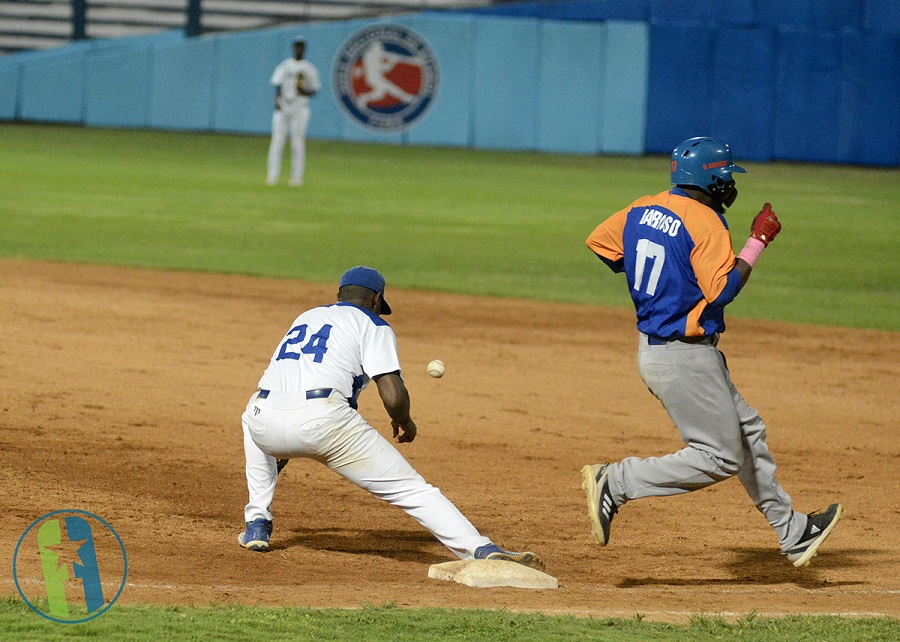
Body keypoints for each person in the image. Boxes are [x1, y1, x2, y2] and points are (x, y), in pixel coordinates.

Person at [580, 136, 842, 568]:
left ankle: (792, 531)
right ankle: (617, 480)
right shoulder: (706, 222)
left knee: (748, 432)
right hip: (682, 357)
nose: (728, 184)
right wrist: (757, 240)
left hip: (663, 349)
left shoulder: (641, 207)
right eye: (724, 176)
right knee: (719, 456)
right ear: (710, 178)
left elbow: (602, 245)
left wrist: (666, 275)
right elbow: (722, 291)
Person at [238, 266, 544, 571]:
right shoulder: (374, 325)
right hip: (324, 422)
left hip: (265, 418)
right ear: (377, 299)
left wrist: (283, 439)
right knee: (412, 490)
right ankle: (479, 548)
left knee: (249, 417)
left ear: (339, 295)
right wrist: (405, 422)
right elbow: (393, 395)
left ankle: (257, 523)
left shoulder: (306, 317)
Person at [267, 36, 320, 187]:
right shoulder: (284, 66)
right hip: (284, 104)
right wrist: (277, 101)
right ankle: (272, 176)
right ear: (293, 47)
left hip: (300, 106)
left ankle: (296, 178)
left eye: (301, 46)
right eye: (297, 46)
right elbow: (276, 85)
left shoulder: (309, 68)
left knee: (297, 141)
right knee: (277, 140)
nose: (299, 49)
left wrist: (304, 90)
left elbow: (314, 90)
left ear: (305, 49)